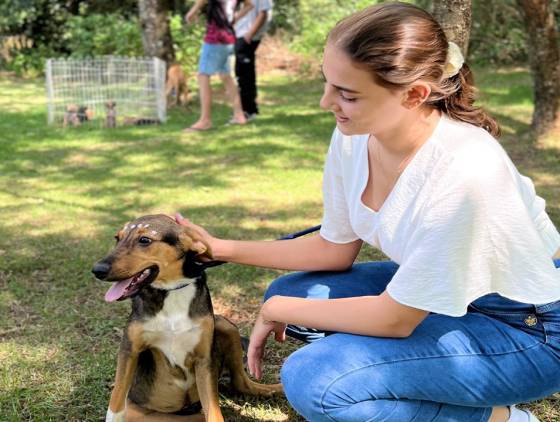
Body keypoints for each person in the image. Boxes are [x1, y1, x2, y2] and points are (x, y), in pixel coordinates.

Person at [176, 2, 560, 421]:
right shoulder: (356, 134)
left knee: (315, 380)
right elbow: (332, 249)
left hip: (530, 327)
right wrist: (221, 247)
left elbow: (396, 319)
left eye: (347, 93)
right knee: (291, 293)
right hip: (453, 296)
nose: (327, 103)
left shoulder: (465, 169)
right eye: (328, 83)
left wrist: (278, 311)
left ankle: (501, 418)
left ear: (415, 95)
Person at [184, 0, 253, 131]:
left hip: (215, 38)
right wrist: (234, 19)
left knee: (203, 75)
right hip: (228, 37)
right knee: (225, 75)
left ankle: (205, 120)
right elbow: (249, 5)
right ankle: (239, 115)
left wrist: (192, 11)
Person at [234, 0, 273, 120]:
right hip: (240, 34)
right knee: (242, 73)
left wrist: (250, 34)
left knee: (245, 75)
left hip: (247, 37)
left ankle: (248, 110)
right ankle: (249, 109)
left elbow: (263, 14)